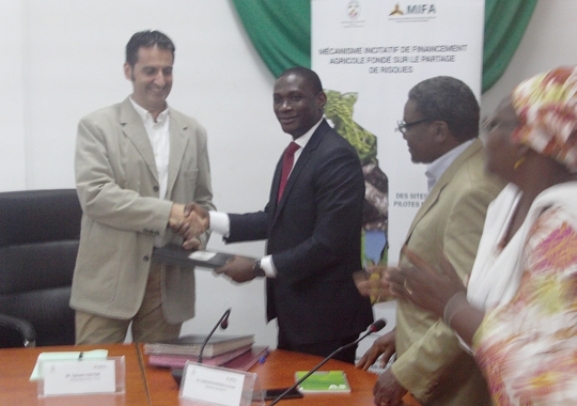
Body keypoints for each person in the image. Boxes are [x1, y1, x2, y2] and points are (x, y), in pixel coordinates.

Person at [386, 66, 577, 405]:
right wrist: (445, 302)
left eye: (495, 124)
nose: (484, 137)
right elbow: (495, 313)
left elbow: (544, 373)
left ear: (528, 140)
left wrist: (452, 306)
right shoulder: (507, 202)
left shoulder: (564, 226)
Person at [181, 67, 374, 364]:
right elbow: (275, 217)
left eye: (295, 98)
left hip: (327, 319)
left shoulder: (335, 155)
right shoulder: (295, 152)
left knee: (316, 391)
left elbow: (328, 244)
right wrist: (210, 220)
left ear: (320, 100)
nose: (284, 107)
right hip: (296, 311)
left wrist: (257, 268)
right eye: (278, 99)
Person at [356, 76, 505, 405]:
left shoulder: (471, 190)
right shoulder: (460, 176)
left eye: (407, 126)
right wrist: (402, 333)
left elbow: (471, 304)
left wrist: (407, 372)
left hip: (455, 389)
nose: (403, 134)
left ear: (439, 130)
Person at [70, 30, 215, 344]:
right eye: (150, 71)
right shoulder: (97, 126)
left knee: (156, 374)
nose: (160, 80)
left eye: (167, 70)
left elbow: (203, 202)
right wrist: (169, 212)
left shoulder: (193, 131)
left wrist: (198, 234)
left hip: (169, 282)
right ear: (129, 71)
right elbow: (96, 197)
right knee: (95, 370)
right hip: (109, 279)